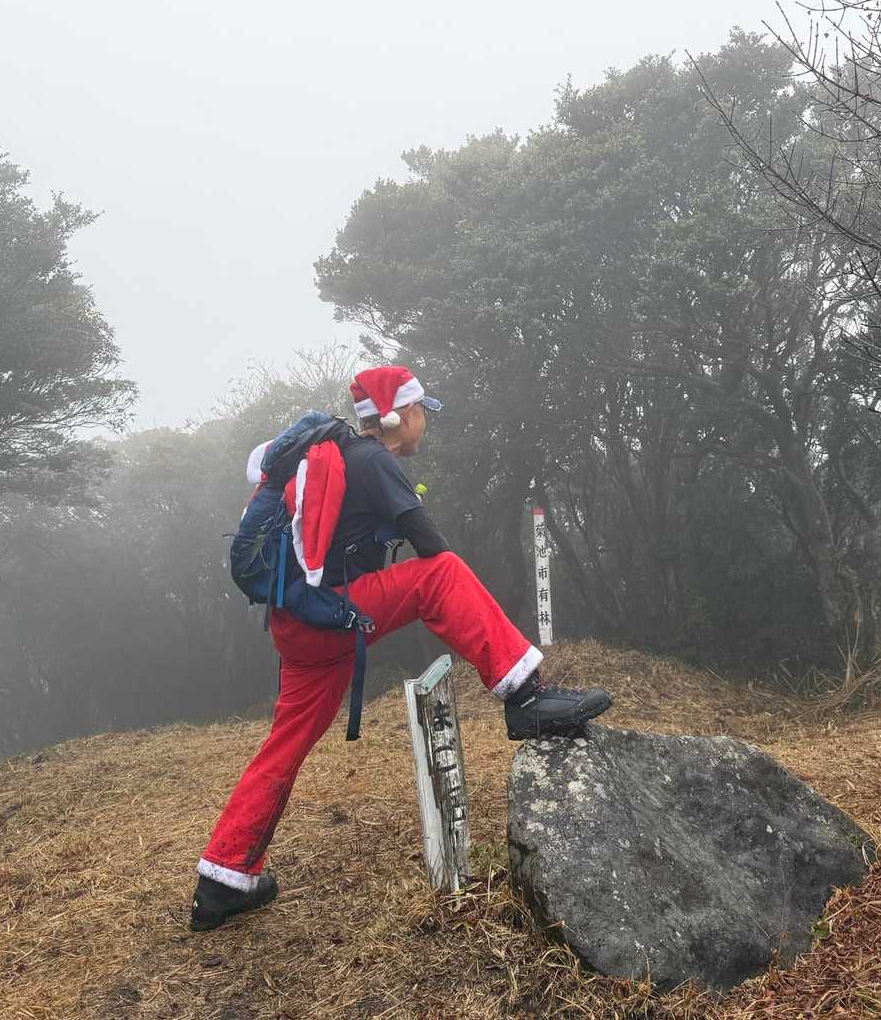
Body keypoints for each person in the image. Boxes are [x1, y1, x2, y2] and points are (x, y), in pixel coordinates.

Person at [190, 365, 612, 931]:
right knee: (441, 575)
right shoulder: (372, 459)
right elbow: (431, 545)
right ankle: (525, 696)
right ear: (401, 415)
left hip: (298, 620)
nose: (424, 424)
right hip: (331, 615)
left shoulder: (334, 458)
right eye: (421, 412)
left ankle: (222, 880)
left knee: (283, 745)